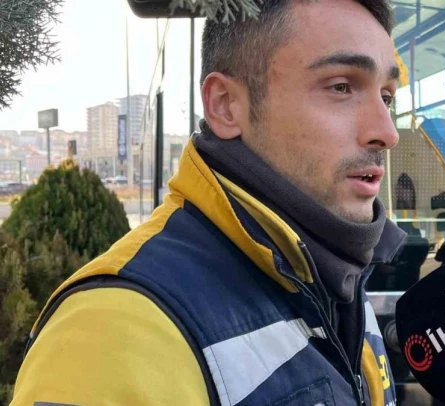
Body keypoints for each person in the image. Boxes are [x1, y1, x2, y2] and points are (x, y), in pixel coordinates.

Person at [11, 1, 406, 405]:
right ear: (226, 105)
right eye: (341, 87)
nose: (386, 132)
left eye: (386, 96)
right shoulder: (110, 333)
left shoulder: (340, 278)